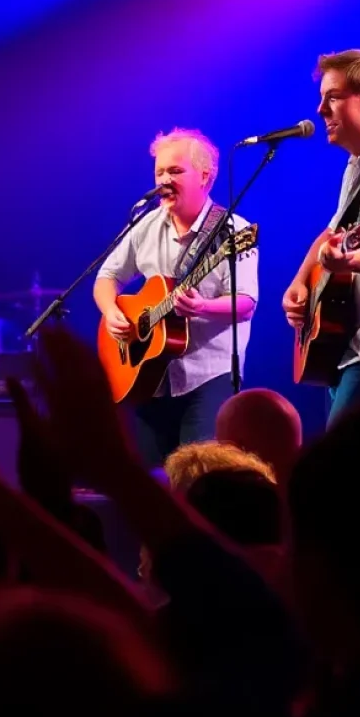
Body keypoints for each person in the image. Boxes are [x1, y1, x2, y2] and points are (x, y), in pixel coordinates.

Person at [94, 127, 258, 467]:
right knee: (153, 484)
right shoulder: (145, 225)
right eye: (159, 172)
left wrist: (202, 307)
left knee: (200, 477)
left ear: (205, 176)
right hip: (149, 378)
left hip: (209, 375)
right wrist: (111, 312)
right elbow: (106, 277)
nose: (164, 179)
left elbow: (245, 303)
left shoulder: (234, 231)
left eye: (175, 170)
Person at [283, 49, 360, 424]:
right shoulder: (357, 167)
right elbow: (333, 232)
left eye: (333, 97)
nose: (321, 110)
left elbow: (345, 252)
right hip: (347, 348)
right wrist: (300, 281)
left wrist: (351, 260)